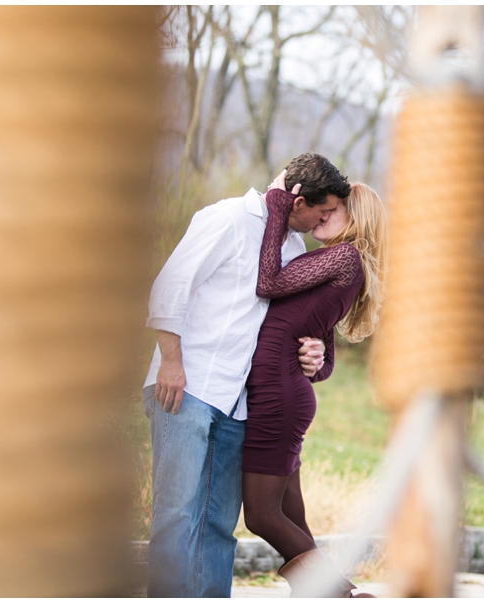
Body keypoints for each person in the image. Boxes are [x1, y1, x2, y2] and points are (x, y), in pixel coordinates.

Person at [141, 154, 352, 597]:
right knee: (177, 514)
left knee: (219, 524)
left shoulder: (292, 249)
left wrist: (315, 353)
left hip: (238, 404)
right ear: (299, 200)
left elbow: (296, 324)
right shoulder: (227, 218)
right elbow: (170, 286)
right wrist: (171, 363)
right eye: (324, 210)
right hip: (187, 386)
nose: (325, 220)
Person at [241, 173, 386, 598]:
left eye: (333, 209)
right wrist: (316, 360)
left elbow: (266, 283)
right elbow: (324, 359)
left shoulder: (344, 259)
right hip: (283, 389)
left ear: (353, 215)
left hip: (277, 395)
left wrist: (276, 207)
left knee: (262, 516)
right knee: (290, 514)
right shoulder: (337, 263)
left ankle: (342, 595)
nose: (323, 212)